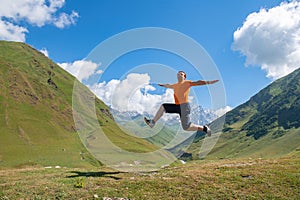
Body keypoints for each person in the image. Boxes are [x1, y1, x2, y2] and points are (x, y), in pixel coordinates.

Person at [144, 70, 219, 136]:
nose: (179, 74)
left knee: (186, 127)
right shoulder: (175, 85)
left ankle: (204, 128)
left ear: (184, 77)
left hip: (184, 106)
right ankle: (152, 122)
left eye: (181, 74)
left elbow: (198, 82)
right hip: (177, 106)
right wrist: (161, 85)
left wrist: (208, 82)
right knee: (163, 106)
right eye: (178, 74)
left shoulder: (187, 83)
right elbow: (168, 85)